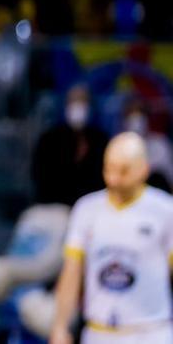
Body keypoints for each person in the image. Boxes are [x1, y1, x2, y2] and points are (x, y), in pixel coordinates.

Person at [49, 132, 173, 343]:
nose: (114, 178)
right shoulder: (86, 209)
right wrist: (59, 326)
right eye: (109, 168)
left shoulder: (165, 209)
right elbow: (72, 272)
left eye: (123, 171)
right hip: (99, 332)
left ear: (144, 168)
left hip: (151, 332)